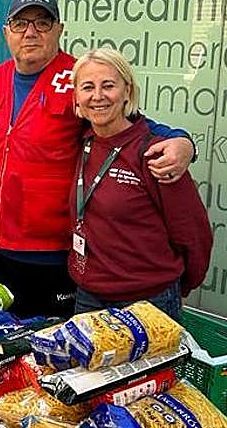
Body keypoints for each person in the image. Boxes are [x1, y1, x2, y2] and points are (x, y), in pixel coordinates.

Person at [0, 0, 196, 317]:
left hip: (56, 253)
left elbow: (132, 126)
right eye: (20, 23)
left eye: (42, 23)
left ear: (60, 29)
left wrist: (182, 141)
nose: (30, 32)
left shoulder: (80, 79)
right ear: (7, 32)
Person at [68, 49, 212, 320]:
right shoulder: (82, 140)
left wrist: (176, 283)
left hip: (147, 301)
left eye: (108, 85)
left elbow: (192, 231)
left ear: (127, 92)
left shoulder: (156, 152)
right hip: (89, 295)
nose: (97, 96)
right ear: (76, 96)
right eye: (88, 87)